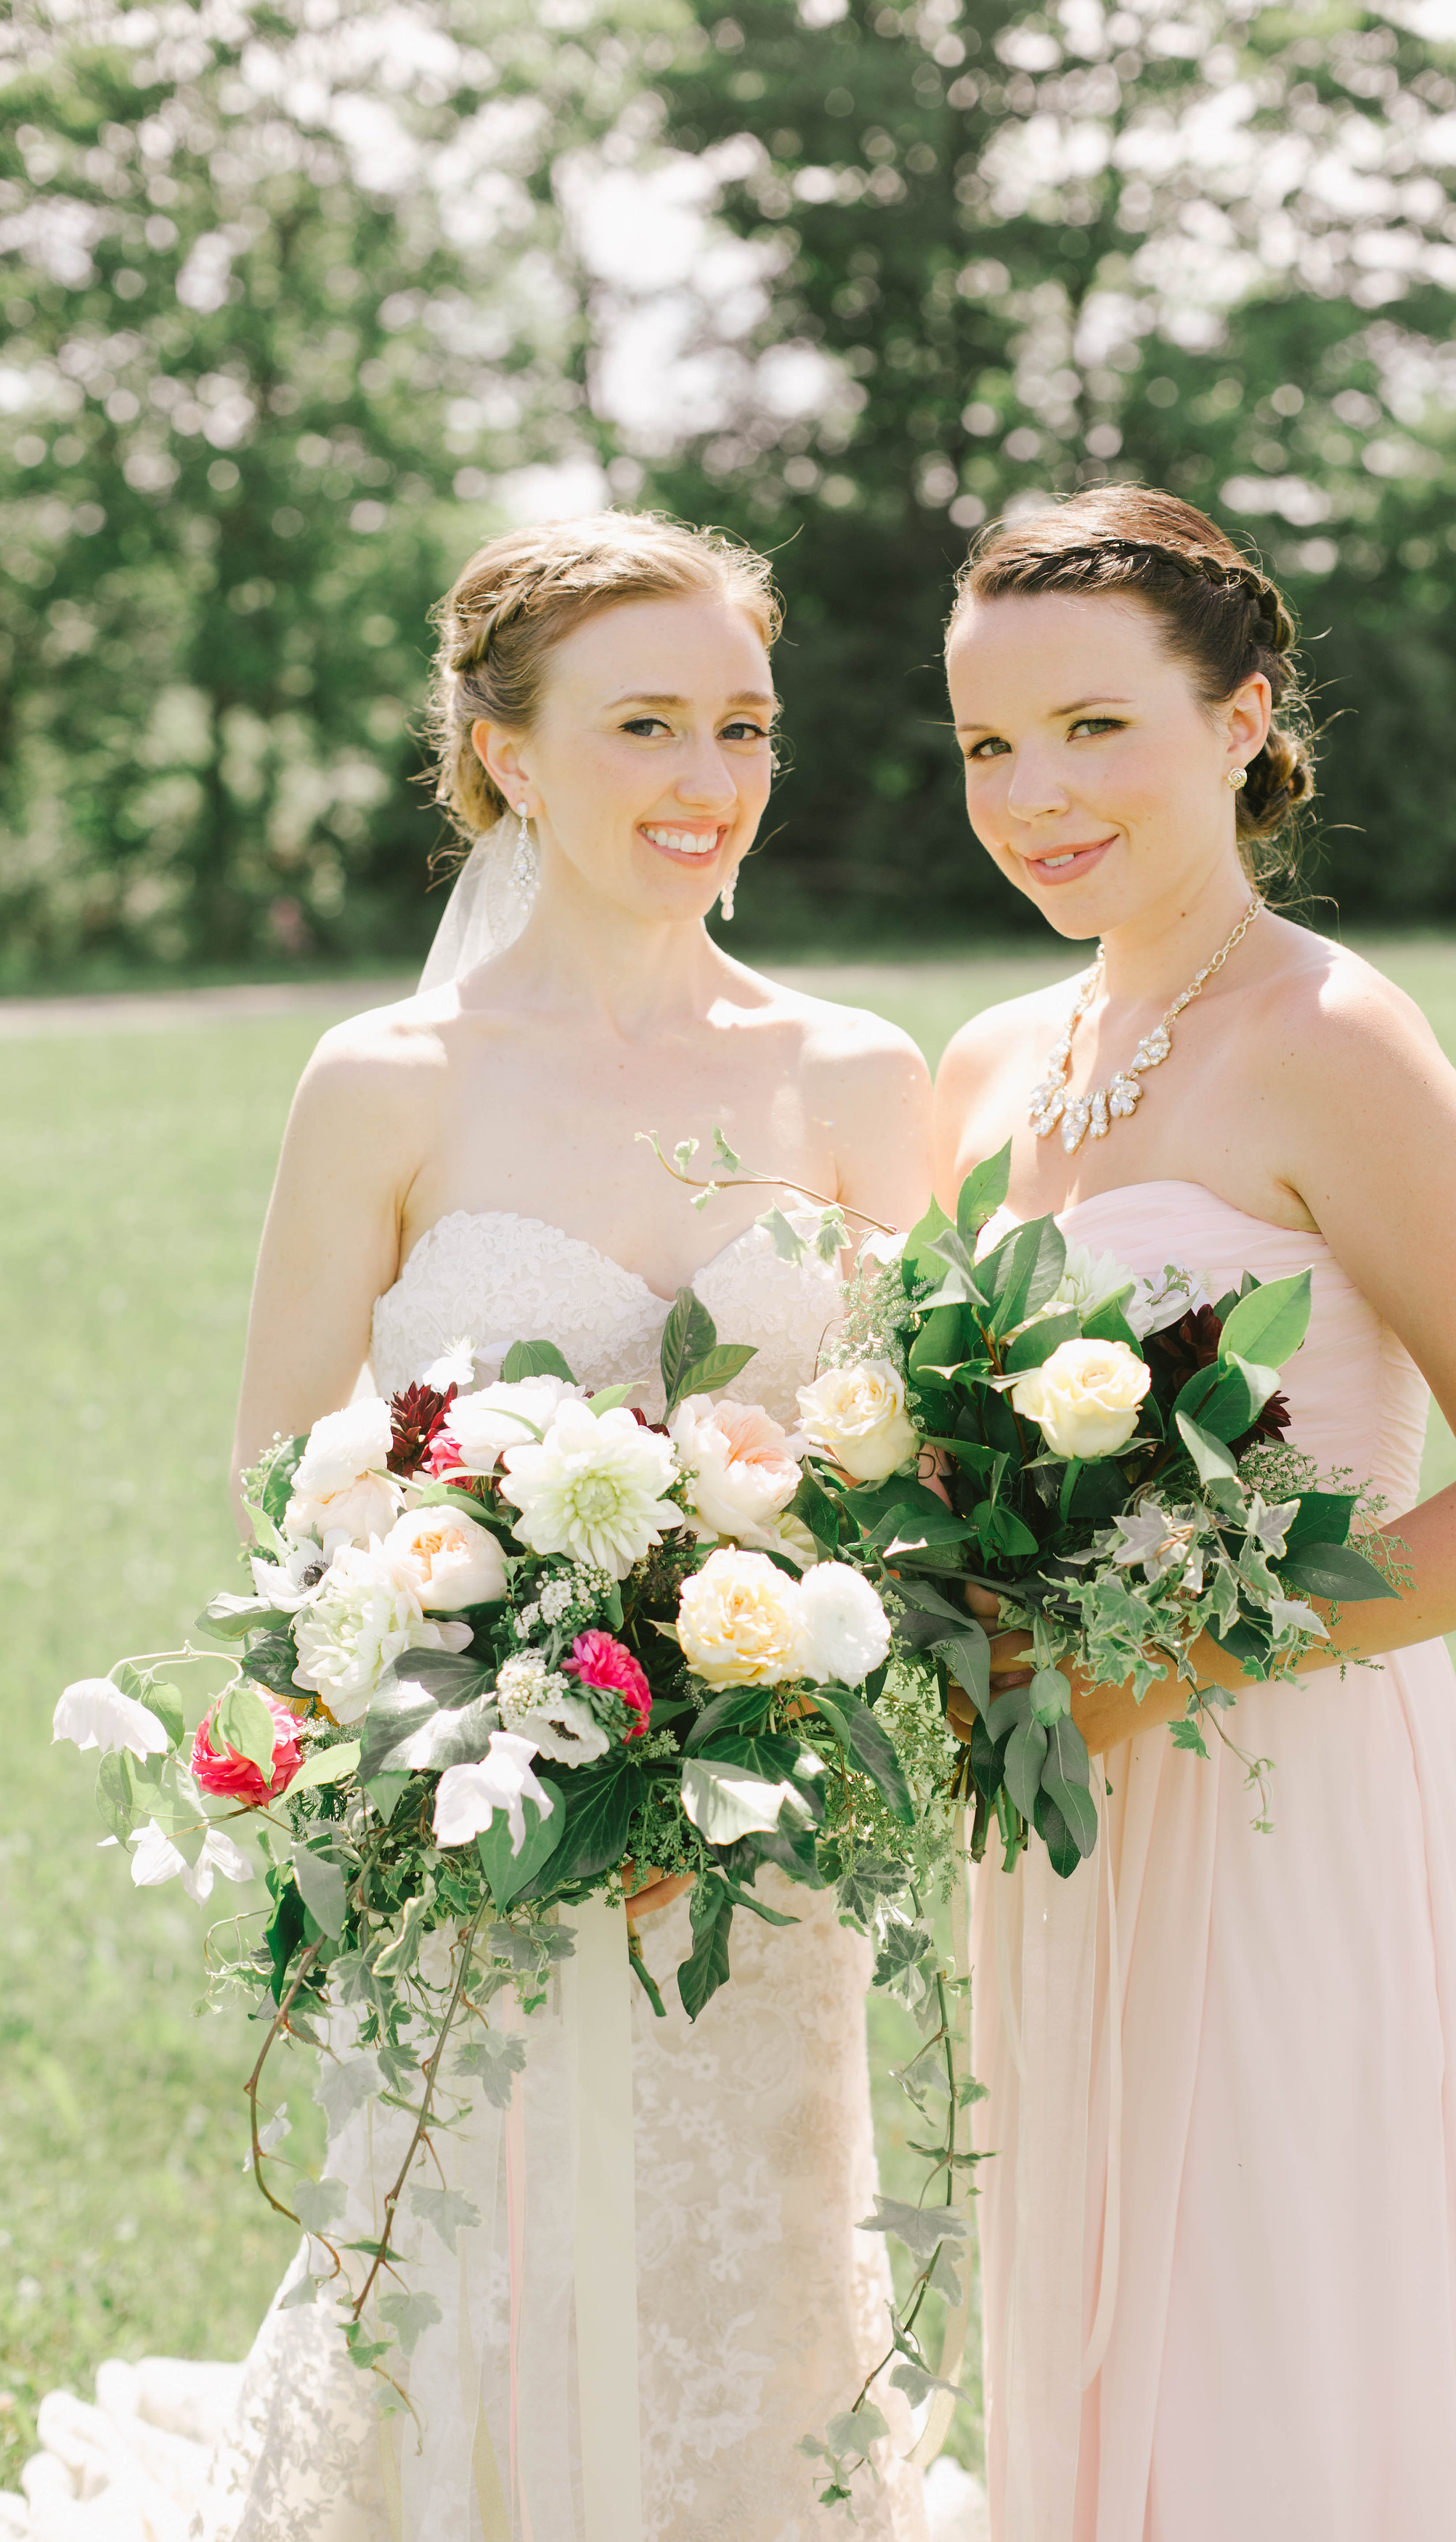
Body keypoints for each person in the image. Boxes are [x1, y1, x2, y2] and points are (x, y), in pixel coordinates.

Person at [9, 513, 932, 2542]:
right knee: (482, 2251)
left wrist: (764, 1639)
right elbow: (278, 1474)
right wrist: (463, 1627)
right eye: (645, 727)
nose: (708, 781)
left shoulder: (860, 1076)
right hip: (484, 1806)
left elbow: (911, 1461)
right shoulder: (386, 1082)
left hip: (769, 1840)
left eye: (745, 726)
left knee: (754, 2255)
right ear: (507, 752)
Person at [930, 486, 1456, 2542]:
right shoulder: (984, 1064)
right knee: (1070, 2307)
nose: (1033, 794)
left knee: (1261, 2331)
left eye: (1093, 728)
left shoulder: (1333, 1041)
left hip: (1276, 1778)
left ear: (1241, 720)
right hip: (1053, 1794)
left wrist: (1170, 1659)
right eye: (987, 744)